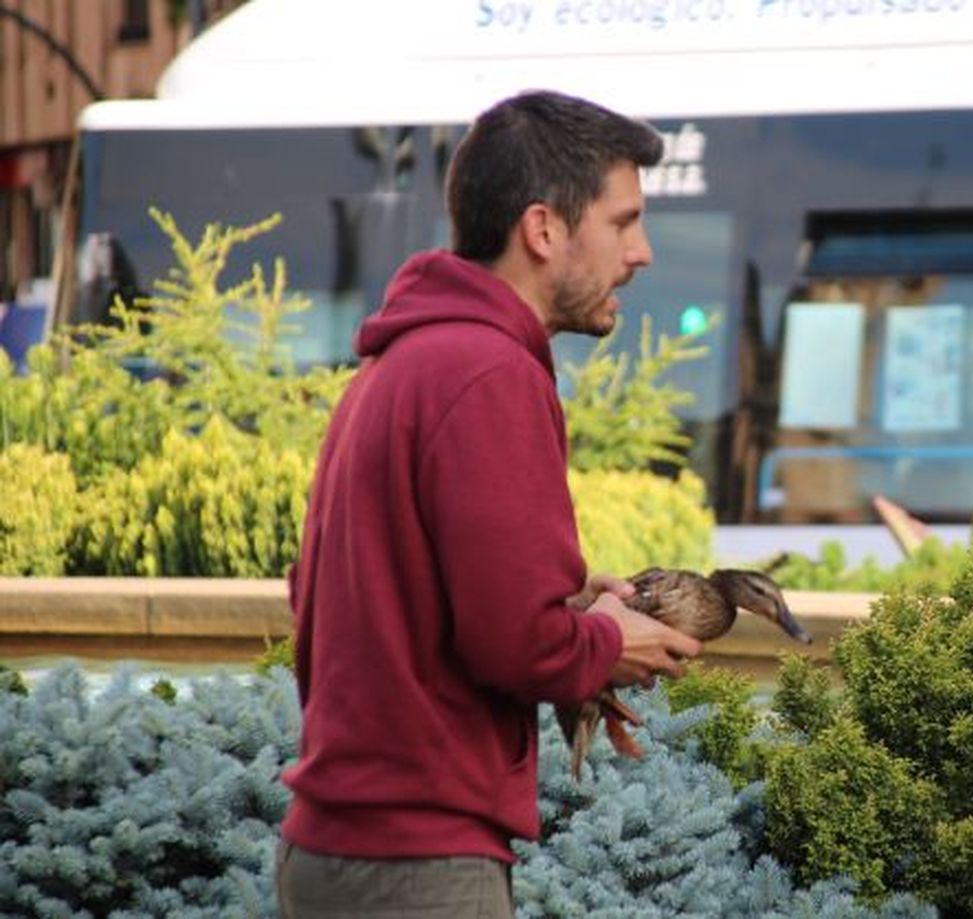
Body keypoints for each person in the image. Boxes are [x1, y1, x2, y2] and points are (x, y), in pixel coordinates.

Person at [274, 90, 704, 918]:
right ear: (544, 230)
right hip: (418, 868)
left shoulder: (401, 363)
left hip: (341, 851)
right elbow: (517, 644)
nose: (643, 251)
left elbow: (360, 600)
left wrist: (576, 607)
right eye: (623, 222)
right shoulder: (489, 373)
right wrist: (608, 639)